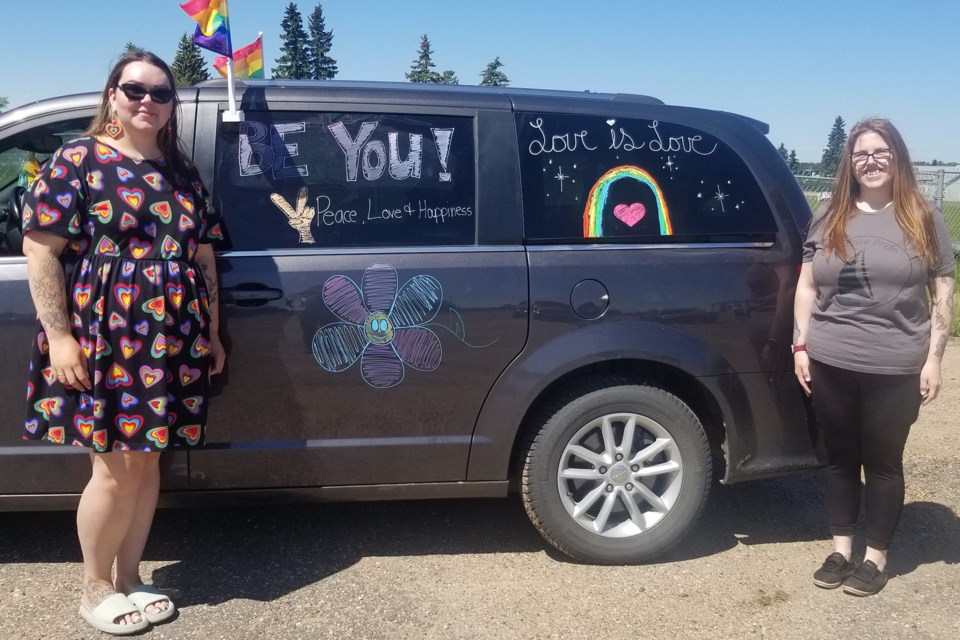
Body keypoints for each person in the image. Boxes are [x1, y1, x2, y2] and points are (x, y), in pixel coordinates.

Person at [21, 50, 225, 634]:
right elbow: (41, 251)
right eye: (135, 89)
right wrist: (60, 338)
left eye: (161, 94)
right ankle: (96, 587)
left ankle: (132, 576)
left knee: (147, 462)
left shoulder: (180, 169)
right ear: (112, 94)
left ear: (170, 107)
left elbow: (202, 254)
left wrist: (211, 334)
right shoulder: (79, 160)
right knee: (113, 469)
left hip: (174, 340)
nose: (147, 101)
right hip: (107, 336)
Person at [793, 118, 955, 596]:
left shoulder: (923, 216)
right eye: (861, 153)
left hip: (896, 364)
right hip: (830, 359)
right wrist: (800, 343)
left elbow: (943, 288)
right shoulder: (828, 214)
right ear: (850, 163)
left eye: (880, 151)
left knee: (884, 462)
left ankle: (875, 557)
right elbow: (806, 284)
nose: (871, 161)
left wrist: (934, 358)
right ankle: (842, 549)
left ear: (897, 157)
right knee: (839, 459)